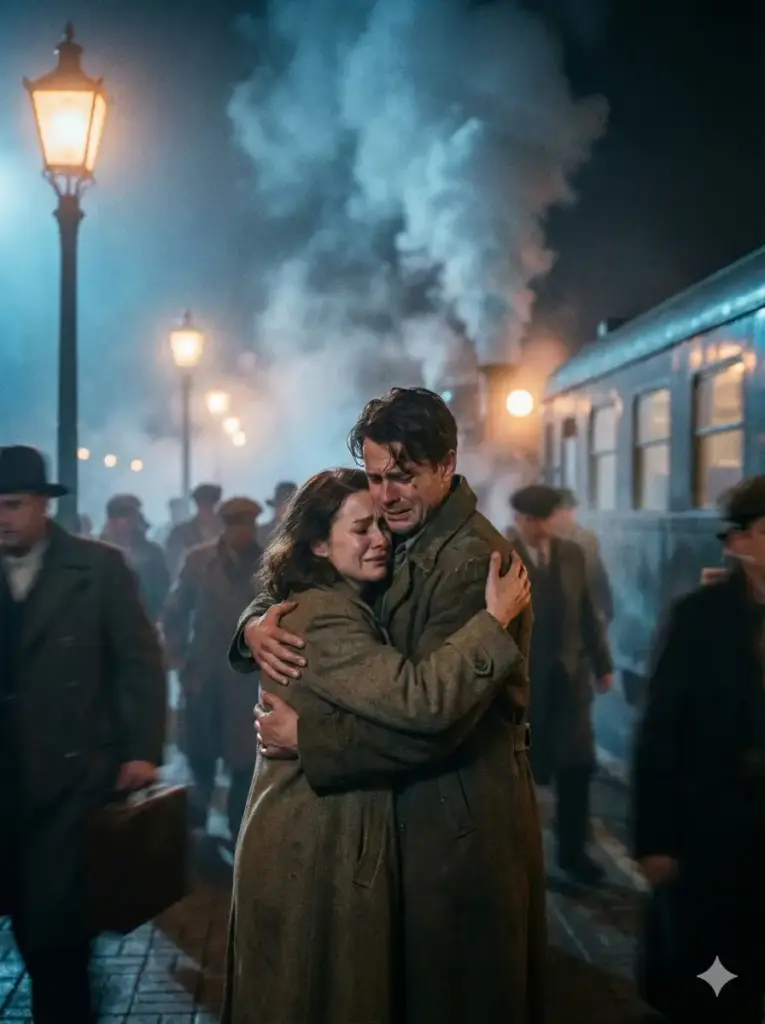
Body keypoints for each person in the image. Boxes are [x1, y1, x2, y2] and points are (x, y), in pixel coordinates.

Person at [232, 388, 546, 1024]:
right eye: (376, 479)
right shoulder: (408, 535)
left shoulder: (470, 565)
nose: (385, 496)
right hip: (406, 823)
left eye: (401, 476)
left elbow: (433, 721)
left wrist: (311, 739)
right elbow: (313, 585)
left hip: (451, 829)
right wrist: (253, 625)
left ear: (446, 465)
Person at [0, 446, 166, 1023]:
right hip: (5, 787)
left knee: (58, 952)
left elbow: (139, 662)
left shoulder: (97, 569)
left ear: (44, 505)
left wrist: (141, 751)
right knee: (28, 929)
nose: (2, 517)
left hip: (70, 788)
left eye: (13, 505)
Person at [632, 474, 765, 1022]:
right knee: (715, 989)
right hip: (716, 839)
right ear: (738, 543)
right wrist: (654, 840)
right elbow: (660, 730)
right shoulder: (698, 619)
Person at [509, 484, 613, 884]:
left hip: (570, 680)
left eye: (543, 520)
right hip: (524, 682)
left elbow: (587, 612)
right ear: (519, 520)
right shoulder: (500, 557)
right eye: (530, 521)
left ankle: (573, 853)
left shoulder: (572, 555)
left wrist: (602, 663)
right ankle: (518, 859)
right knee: (522, 774)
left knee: (578, 768)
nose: (538, 528)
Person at [163, 497, 263, 836]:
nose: (242, 531)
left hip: (246, 676)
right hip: (203, 674)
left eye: (247, 524)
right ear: (224, 525)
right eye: (235, 524)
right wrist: (178, 660)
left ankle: (238, 830)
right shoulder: (199, 561)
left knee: (245, 760)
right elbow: (175, 611)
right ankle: (197, 828)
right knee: (200, 755)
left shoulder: (269, 563)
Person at [101, 494, 170, 621]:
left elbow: (161, 591)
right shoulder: (96, 552)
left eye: (131, 516)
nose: (128, 522)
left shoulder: (152, 553)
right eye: (122, 515)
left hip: (142, 621)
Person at [552, 487, 613, 623]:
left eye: (570, 510)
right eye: (562, 511)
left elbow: (596, 575)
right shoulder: (545, 538)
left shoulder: (586, 539)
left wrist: (604, 609)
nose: (567, 515)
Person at [165, 483, 223, 578]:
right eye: (203, 503)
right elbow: (172, 564)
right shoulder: (180, 533)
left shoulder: (226, 530)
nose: (206, 507)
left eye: (209, 503)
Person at [257, 480, 297, 549]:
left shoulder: (303, 533)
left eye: (288, 505)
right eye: (280, 504)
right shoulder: (261, 532)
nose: (283, 509)